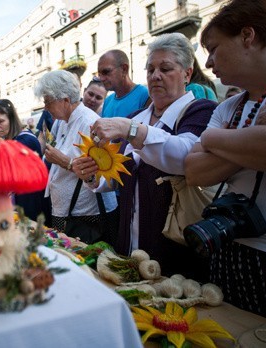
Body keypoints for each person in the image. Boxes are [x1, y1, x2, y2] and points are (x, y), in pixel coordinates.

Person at [184, 0, 266, 333]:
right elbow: (194, 172)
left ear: (247, 36)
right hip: (229, 251)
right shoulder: (230, 104)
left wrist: (215, 140)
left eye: (213, 49)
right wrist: (256, 135)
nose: (209, 62)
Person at [76, 33, 218, 280]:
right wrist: (92, 175)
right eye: (150, 69)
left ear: (187, 73)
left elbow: (184, 157)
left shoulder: (201, 111)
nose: (155, 76)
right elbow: (120, 174)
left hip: (174, 241)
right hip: (130, 238)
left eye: (165, 68)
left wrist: (130, 130)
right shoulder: (138, 115)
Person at [34, 70, 118, 245]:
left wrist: (65, 161)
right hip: (67, 213)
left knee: (84, 266)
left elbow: (102, 177)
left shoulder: (89, 122)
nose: (46, 107)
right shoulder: (62, 121)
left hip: (85, 217)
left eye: (48, 101)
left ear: (65, 100)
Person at [0, 99, 44, 221]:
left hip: (28, 207)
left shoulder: (26, 141)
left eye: (0, 121)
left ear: (11, 119)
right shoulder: (8, 140)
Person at [98, 49, 151, 118]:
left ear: (124, 69)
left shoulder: (145, 95)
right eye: (99, 74)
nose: (102, 78)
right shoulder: (108, 101)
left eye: (106, 72)